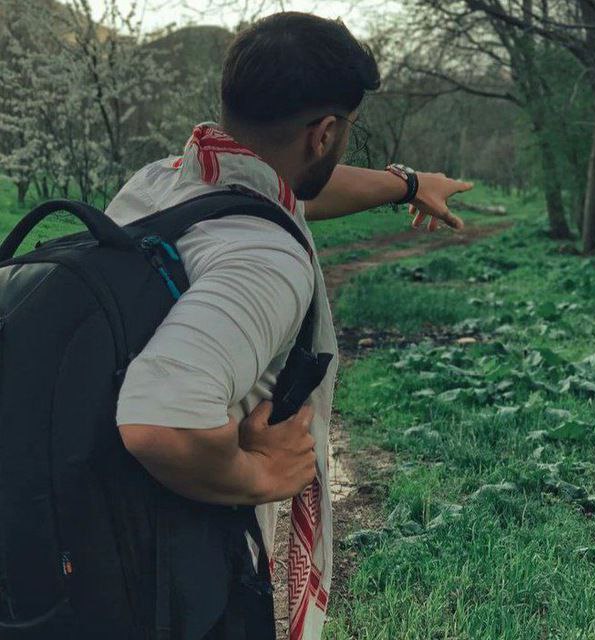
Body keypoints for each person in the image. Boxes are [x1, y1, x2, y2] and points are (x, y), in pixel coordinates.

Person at [106, 11, 472, 640]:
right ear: (325, 133)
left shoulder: (165, 182)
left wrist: (407, 185)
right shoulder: (264, 257)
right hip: (177, 570)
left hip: (101, 528)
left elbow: (294, 188)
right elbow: (159, 420)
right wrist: (262, 474)